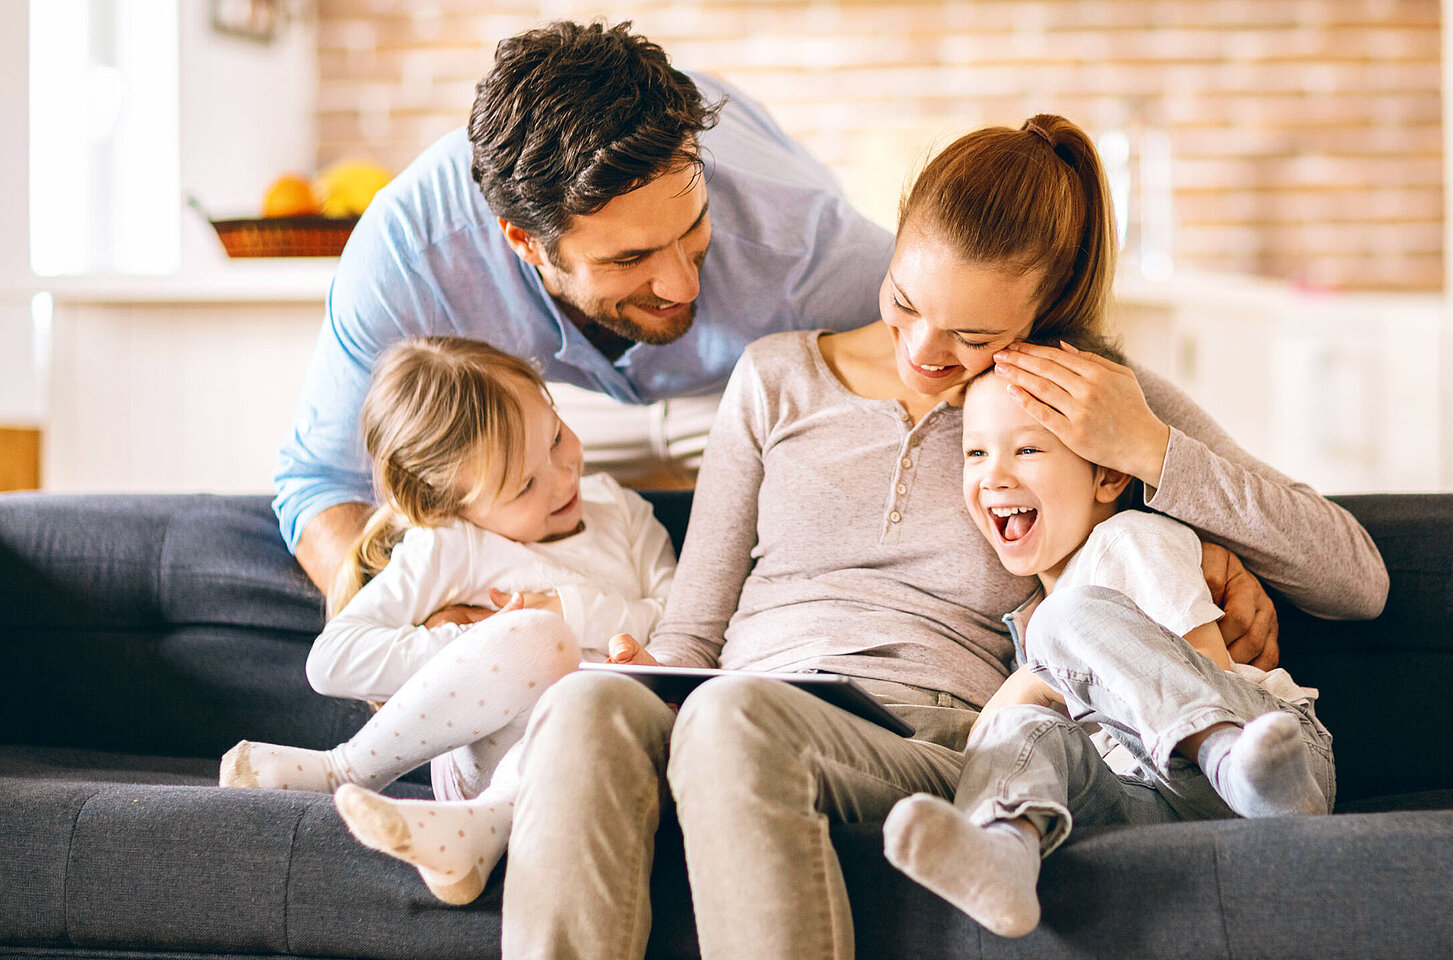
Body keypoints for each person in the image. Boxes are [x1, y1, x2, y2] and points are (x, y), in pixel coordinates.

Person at [499, 114, 1388, 960]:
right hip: (732, 695)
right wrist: (643, 665)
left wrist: (1152, 449)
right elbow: (695, 630)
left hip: (923, 738)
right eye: (904, 300)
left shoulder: (1070, 408)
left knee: (735, 715)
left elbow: (1356, 578)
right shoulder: (774, 378)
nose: (923, 348)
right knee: (585, 703)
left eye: (971, 336)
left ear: (1042, 317)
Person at [274, 20, 894, 591]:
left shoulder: (808, 247)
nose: (682, 287)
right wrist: (423, 624)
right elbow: (321, 485)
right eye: (629, 259)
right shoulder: (411, 251)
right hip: (552, 418)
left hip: (745, 389)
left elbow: (962, 341)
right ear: (526, 242)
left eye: (694, 226)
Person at [881, 359, 1337, 937]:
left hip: (1267, 751)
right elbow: (998, 733)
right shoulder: (1026, 620)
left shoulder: (1129, 543)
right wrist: (1019, 707)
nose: (994, 475)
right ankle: (1005, 850)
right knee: (1023, 731)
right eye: (976, 453)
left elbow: (1207, 669)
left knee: (1057, 633)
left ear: (1107, 477)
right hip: (1148, 796)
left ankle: (1235, 765)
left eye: (1026, 451)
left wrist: (1035, 677)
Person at [224, 337, 674, 906]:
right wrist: (488, 640)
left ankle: (475, 839)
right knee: (540, 640)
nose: (563, 478)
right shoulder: (450, 545)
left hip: (608, 747)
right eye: (524, 486)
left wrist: (568, 610)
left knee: (588, 689)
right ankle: (348, 770)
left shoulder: (624, 513)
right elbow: (333, 659)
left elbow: (683, 621)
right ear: (450, 504)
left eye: (557, 436)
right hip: (487, 752)